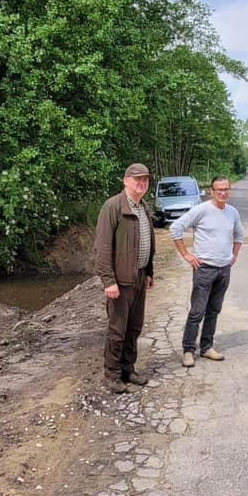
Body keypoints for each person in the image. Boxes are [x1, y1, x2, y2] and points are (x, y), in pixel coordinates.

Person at [93, 163, 157, 394]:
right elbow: (102, 247)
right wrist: (108, 280)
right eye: (137, 179)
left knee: (134, 327)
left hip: (139, 277)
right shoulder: (113, 206)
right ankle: (111, 375)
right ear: (125, 180)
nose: (142, 183)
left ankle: (128, 369)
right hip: (120, 281)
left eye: (145, 179)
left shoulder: (143, 207)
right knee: (117, 330)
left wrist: (148, 272)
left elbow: (146, 242)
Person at [169, 176, 246, 368]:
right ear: (212, 191)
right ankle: (188, 350)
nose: (223, 192)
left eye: (226, 189)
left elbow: (239, 234)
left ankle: (206, 347)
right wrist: (186, 254)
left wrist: (234, 255)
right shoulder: (201, 210)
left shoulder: (232, 212)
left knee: (214, 310)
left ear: (230, 190)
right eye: (219, 189)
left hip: (224, 270)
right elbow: (176, 227)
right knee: (197, 311)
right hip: (204, 269)